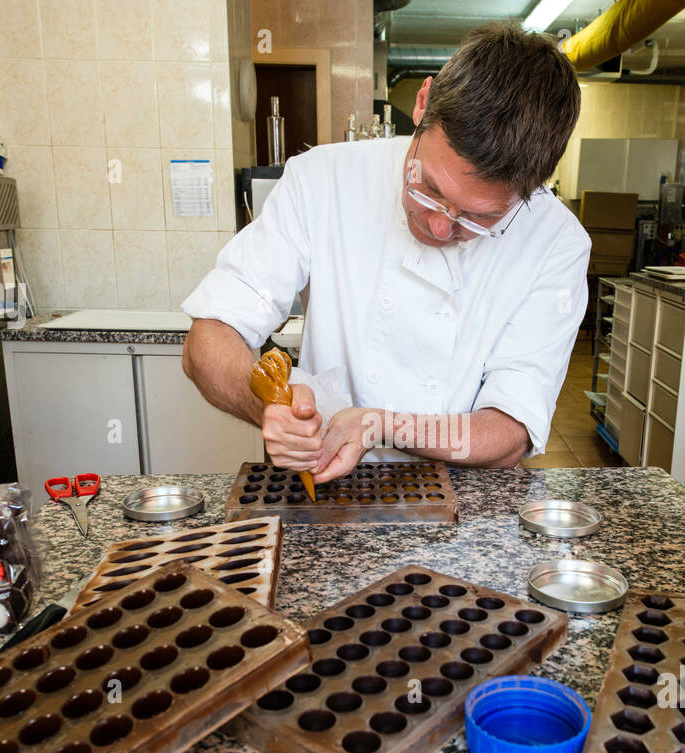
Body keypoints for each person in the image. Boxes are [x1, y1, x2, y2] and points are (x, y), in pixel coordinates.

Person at [181, 23, 588, 484]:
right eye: (428, 188)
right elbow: (206, 340)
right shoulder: (322, 180)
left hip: (469, 506)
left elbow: (509, 432)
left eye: (479, 219)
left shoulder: (557, 242)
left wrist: (377, 424)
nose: (439, 225)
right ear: (422, 102)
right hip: (330, 490)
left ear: (531, 193)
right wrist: (269, 406)